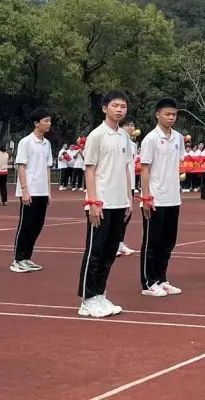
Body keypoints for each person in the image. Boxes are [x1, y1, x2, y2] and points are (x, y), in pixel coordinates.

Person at [77, 91, 134, 318]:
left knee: (111, 251)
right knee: (95, 251)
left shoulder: (125, 137)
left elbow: (127, 168)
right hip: (100, 202)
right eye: (115, 106)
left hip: (119, 202)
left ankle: (99, 293)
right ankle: (87, 298)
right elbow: (89, 169)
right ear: (104, 108)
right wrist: (92, 201)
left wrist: (129, 197)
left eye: (123, 106)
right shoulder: (97, 135)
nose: (119, 110)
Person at [138, 98, 184, 297]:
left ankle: (161, 278)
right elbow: (145, 169)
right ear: (158, 114)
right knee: (152, 241)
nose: (171, 118)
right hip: (155, 198)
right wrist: (146, 196)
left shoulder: (179, 138)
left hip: (173, 197)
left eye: (174, 114)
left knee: (168, 241)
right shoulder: (150, 139)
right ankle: (149, 282)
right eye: (167, 114)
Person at [11, 109, 54, 273]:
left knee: (37, 225)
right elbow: (21, 166)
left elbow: (47, 168)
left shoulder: (47, 144)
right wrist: (24, 190)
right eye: (46, 120)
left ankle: (27, 257)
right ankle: (18, 259)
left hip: (42, 191)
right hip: (30, 190)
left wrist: (49, 191)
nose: (49, 124)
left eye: (49, 121)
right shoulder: (25, 142)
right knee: (26, 225)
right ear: (37, 123)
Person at [115, 121, 138, 258]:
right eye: (128, 125)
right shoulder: (117, 141)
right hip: (120, 183)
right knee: (118, 216)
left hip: (131, 183)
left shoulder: (133, 145)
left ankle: (120, 242)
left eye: (132, 125)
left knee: (127, 215)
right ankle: (114, 244)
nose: (131, 128)